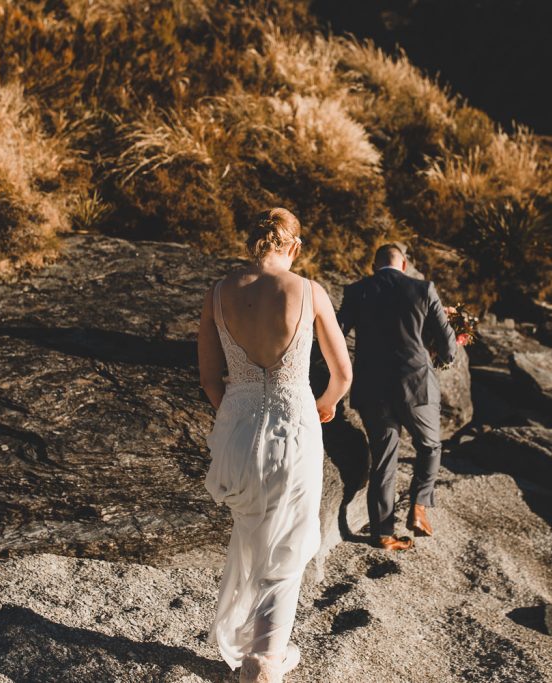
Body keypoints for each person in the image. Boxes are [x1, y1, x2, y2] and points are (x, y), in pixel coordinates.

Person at [197, 208, 352, 683]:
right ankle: (265, 661)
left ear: (252, 242)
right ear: (295, 247)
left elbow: (209, 380)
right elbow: (343, 374)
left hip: (239, 427)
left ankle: (256, 646)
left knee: (254, 532)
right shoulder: (309, 291)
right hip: (295, 424)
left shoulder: (219, 294)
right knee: (290, 541)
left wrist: (237, 413)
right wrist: (324, 404)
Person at [337, 243, 457, 551]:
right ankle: (419, 505)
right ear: (403, 265)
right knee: (430, 445)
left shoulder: (357, 291)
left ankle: (383, 534)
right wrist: (437, 352)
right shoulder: (423, 288)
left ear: (374, 267)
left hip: (372, 387)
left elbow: (337, 333)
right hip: (416, 385)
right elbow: (449, 348)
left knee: (384, 460)